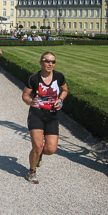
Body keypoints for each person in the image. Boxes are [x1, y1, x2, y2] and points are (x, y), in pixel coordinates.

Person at [22, 51, 68, 184]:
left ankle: (39, 155)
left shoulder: (59, 77)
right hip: (36, 114)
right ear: (41, 62)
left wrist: (60, 100)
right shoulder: (34, 79)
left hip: (52, 116)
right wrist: (31, 102)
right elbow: (25, 95)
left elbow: (65, 90)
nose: (50, 64)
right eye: (47, 61)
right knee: (37, 146)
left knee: (50, 149)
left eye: (53, 61)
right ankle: (32, 171)